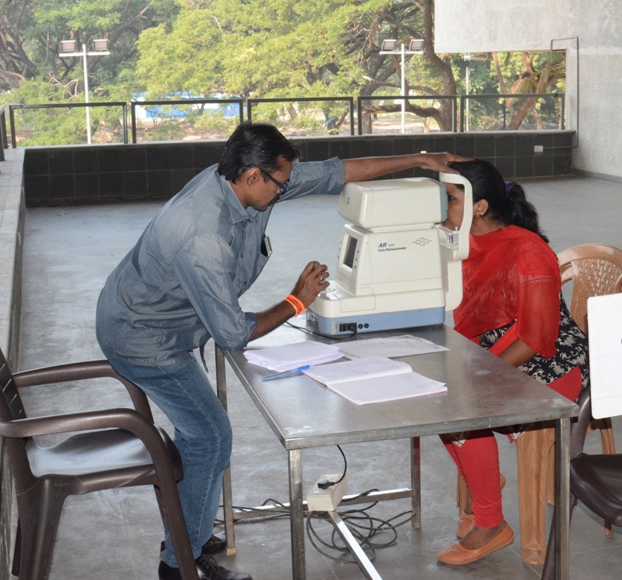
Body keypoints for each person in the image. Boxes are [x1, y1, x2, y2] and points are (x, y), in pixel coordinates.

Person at [95, 122, 467, 580]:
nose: (286, 188)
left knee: (200, 434)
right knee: (210, 436)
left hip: (167, 320)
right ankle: (180, 563)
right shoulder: (202, 236)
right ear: (253, 176)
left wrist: (419, 160)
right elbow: (231, 333)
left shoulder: (241, 182)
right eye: (280, 183)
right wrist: (296, 300)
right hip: (145, 338)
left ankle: (187, 527)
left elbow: (336, 173)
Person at [435, 159, 589, 566]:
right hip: (503, 358)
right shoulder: (467, 244)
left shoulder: (528, 252)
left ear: (479, 207)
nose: (443, 208)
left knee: (462, 410)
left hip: (552, 370)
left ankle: (491, 523)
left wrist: (481, 375)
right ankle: (484, 479)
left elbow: (536, 338)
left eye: (451, 200)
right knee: (434, 397)